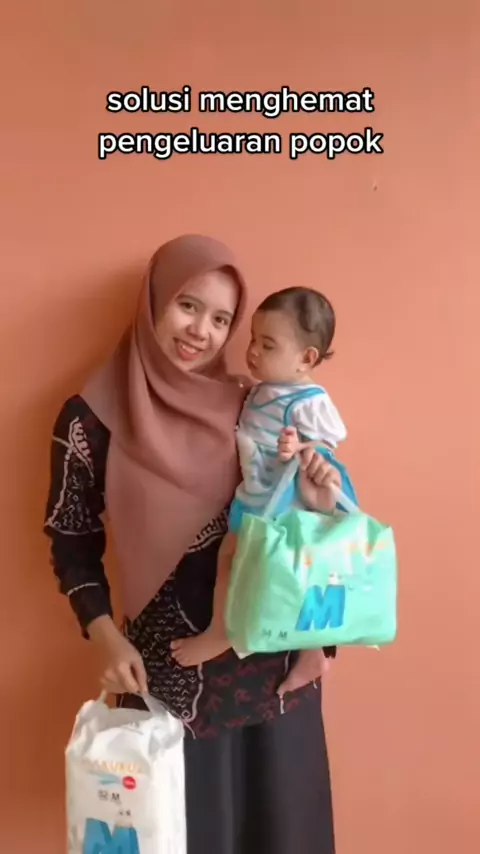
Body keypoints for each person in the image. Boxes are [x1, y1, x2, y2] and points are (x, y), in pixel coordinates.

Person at [44, 235, 351, 854]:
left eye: (221, 319)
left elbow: (309, 518)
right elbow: (71, 539)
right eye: (188, 306)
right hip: (167, 685)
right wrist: (104, 635)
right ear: (154, 301)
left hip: (274, 675)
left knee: (283, 834)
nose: (201, 332)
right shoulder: (90, 419)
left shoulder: (253, 404)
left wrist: (321, 641)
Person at [172, 286, 348, 696]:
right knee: (253, 566)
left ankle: (227, 630)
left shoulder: (306, 400)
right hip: (255, 495)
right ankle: (307, 652)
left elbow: (329, 443)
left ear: (307, 359)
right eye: (253, 339)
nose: (252, 351)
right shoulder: (261, 390)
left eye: (267, 345)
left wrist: (302, 447)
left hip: (286, 504)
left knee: (274, 570)